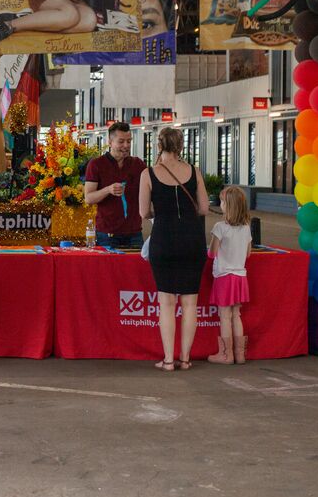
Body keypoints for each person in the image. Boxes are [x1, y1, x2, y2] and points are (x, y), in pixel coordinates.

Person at [138, 127, 209, 372]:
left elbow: (143, 212)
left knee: (166, 303)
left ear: (159, 146)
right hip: (192, 241)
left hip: (164, 241)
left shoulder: (148, 174)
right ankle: (186, 359)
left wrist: (162, 210)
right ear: (181, 146)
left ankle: (168, 359)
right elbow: (203, 208)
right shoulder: (195, 172)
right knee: (190, 303)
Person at [206, 186, 252, 365]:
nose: (221, 204)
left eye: (223, 202)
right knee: (236, 315)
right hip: (240, 276)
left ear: (229, 206)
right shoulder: (246, 228)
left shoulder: (220, 227)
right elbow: (248, 254)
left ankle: (226, 354)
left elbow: (211, 253)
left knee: (224, 316)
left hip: (224, 276)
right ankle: (240, 354)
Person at [84, 122, 147, 248]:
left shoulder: (138, 164)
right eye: (121, 141)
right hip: (107, 235)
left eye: (129, 141)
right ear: (110, 141)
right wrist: (107, 190)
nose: (126, 145)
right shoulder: (96, 164)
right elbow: (89, 198)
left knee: (136, 268)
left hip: (134, 233)